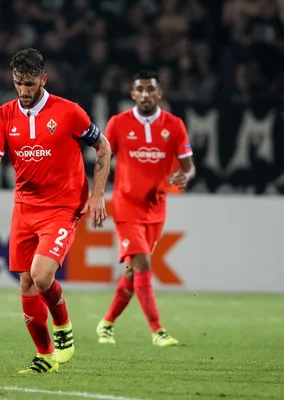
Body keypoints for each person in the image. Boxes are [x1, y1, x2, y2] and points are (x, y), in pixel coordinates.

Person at [0, 48, 112, 374]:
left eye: (28, 84)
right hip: (24, 206)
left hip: (63, 207)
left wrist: (97, 196)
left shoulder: (69, 112)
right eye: (17, 83)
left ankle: (63, 326)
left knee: (41, 276)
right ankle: (45, 356)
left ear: (43, 79)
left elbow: (103, 147)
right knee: (25, 283)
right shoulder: (4, 115)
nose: (23, 91)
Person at [96, 70, 196, 346]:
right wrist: (97, 196)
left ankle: (106, 323)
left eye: (150, 90)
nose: (144, 95)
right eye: (139, 90)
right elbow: (103, 159)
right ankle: (158, 330)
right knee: (143, 263)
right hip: (126, 206)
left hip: (156, 209)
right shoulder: (118, 123)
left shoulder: (174, 125)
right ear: (132, 94)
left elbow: (189, 167)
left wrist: (184, 177)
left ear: (159, 94)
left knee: (132, 273)